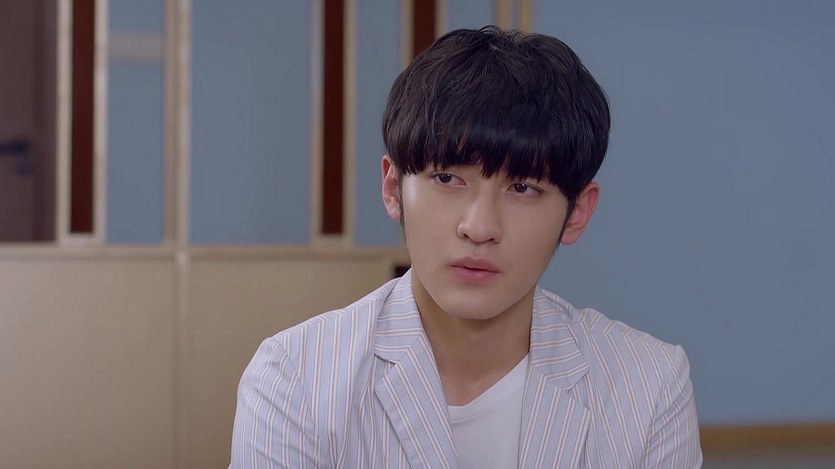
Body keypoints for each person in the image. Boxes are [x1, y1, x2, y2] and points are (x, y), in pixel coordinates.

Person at [230, 26, 702, 468]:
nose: (479, 228)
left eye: (523, 188)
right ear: (393, 188)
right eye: (447, 178)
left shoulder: (649, 386)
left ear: (576, 212)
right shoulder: (295, 376)